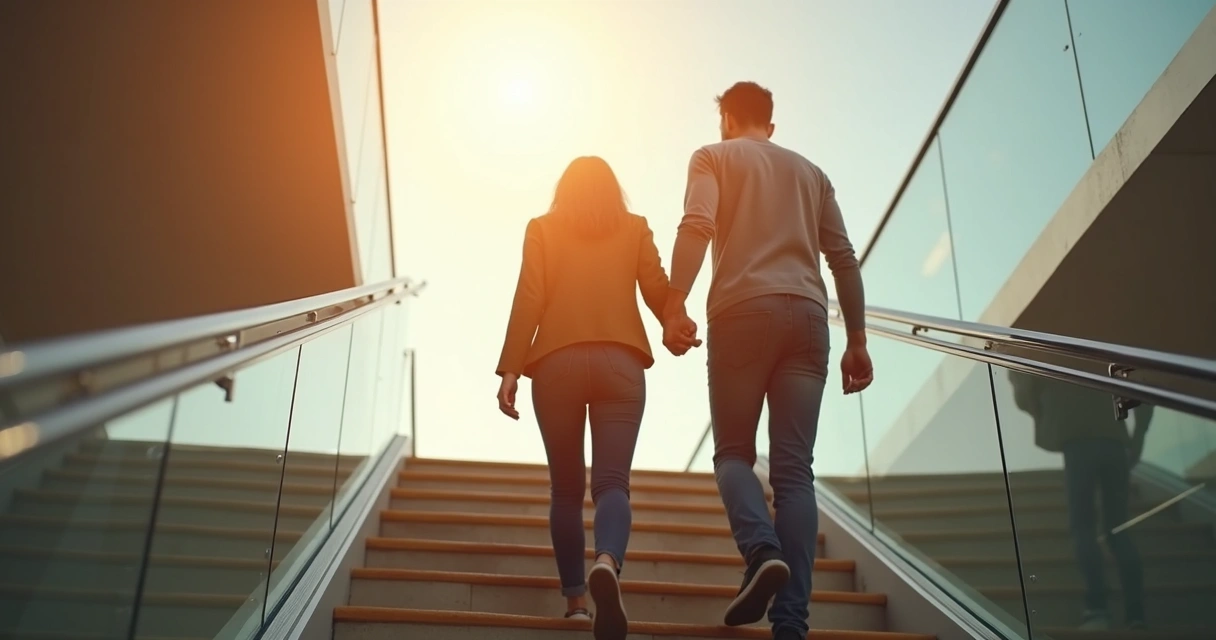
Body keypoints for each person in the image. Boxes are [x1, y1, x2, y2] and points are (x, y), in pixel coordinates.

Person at [660, 81, 873, 640]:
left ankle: (760, 553)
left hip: (741, 314)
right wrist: (857, 338)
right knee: (794, 472)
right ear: (770, 126)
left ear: (727, 119)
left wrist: (673, 301)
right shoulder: (812, 173)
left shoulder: (713, 156)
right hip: (808, 318)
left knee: (733, 453)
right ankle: (791, 624)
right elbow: (843, 261)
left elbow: (698, 226)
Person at [495, 156, 680, 640]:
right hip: (621, 363)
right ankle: (606, 561)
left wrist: (512, 368)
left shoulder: (542, 228)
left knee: (565, 489)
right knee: (612, 483)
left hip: (556, 363)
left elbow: (529, 297)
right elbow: (657, 289)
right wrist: (674, 323)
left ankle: (577, 603)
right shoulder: (635, 227)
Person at [1009, 370, 1151, 630]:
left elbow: (1023, 392)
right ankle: (1136, 613)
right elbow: (1139, 385)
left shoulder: (1048, 352)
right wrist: (1139, 434)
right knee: (1119, 530)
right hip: (1115, 442)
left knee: (1083, 527)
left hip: (1077, 442)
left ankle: (1097, 609)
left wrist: (1039, 404)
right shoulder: (1094, 344)